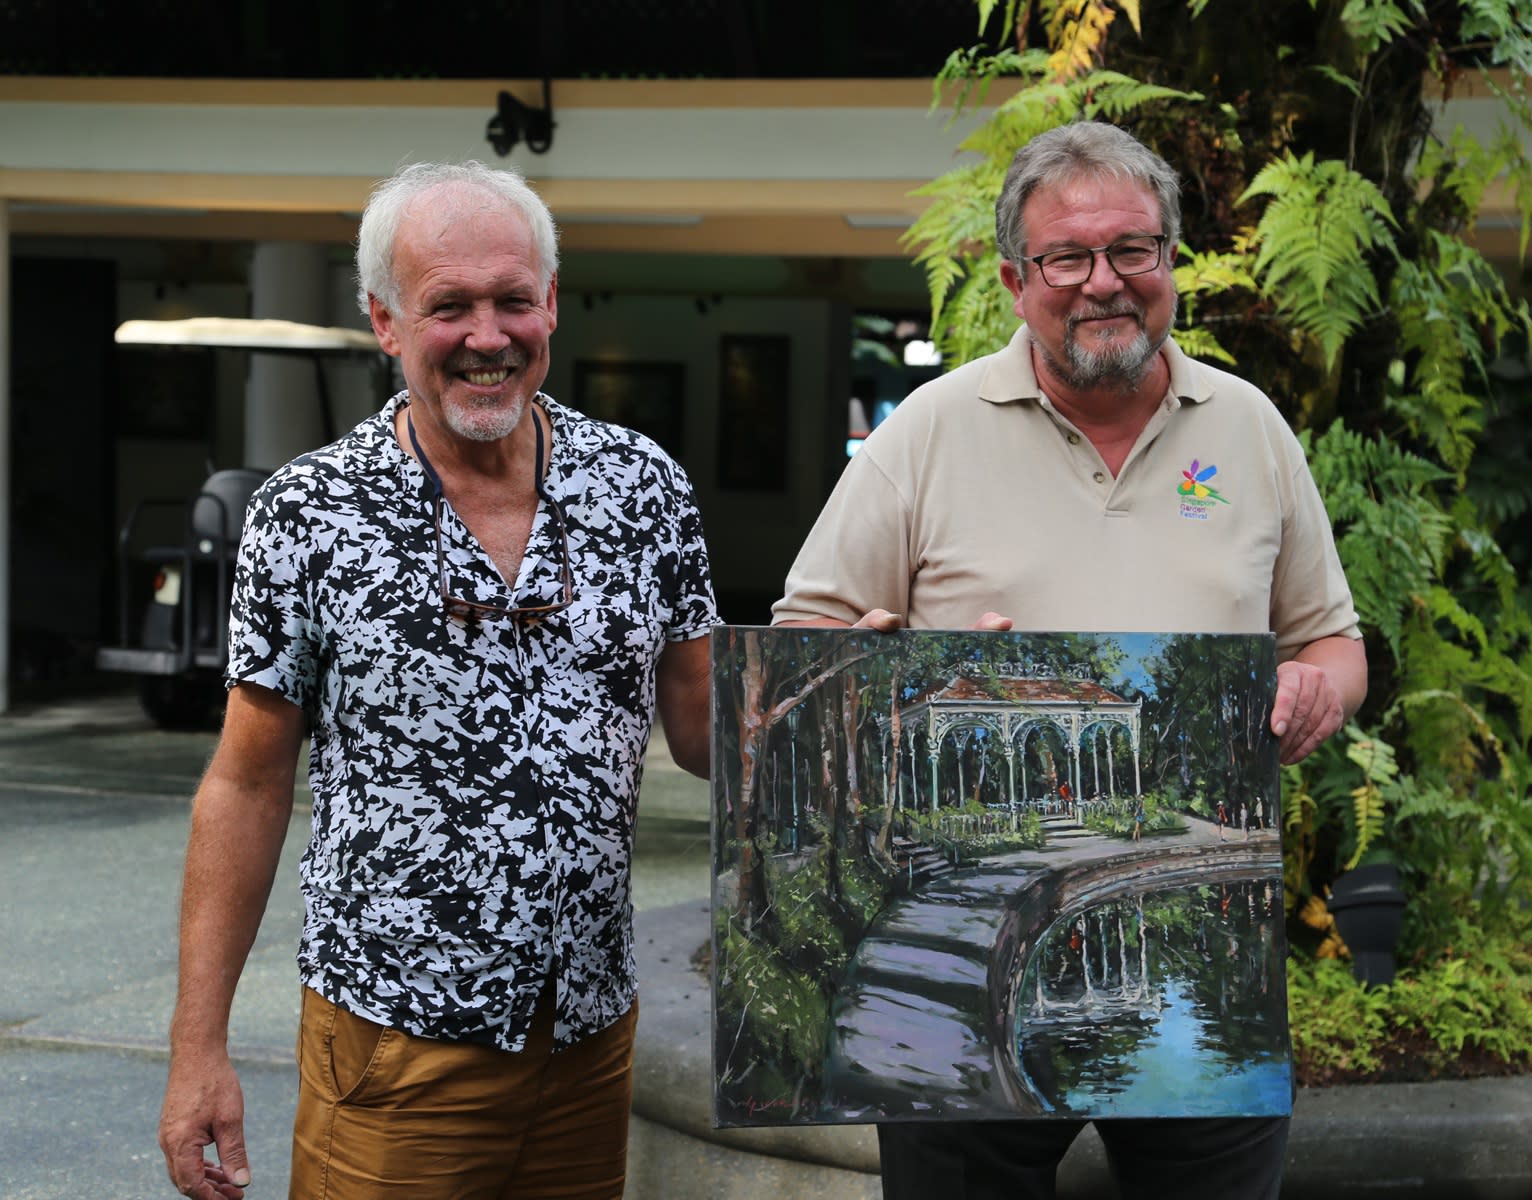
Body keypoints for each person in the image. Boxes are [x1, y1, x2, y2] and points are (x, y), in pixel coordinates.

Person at [773, 121, 1365, 1199]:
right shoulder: (928, 433)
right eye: (1068, 258)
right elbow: (805, 641)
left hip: (1203, 956)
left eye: (1133, 250)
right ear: (1015, 278)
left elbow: (1332, 637)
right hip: (956, 919)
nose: (1105, 283)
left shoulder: (1251, 428)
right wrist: (883, 678)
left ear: (1170, 261)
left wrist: (1317, 684)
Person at [157, 161, 717, 1200]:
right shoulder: (310, 515)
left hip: (589, 1038)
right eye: (448, 306)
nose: (488, 335)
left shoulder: (644, 488)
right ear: (385, 320)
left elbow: (703, 726)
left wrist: (851, 675)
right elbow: (245, 783)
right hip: (394, 1046)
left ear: (551, 301)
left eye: (513, 299)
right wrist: (198, 1051)